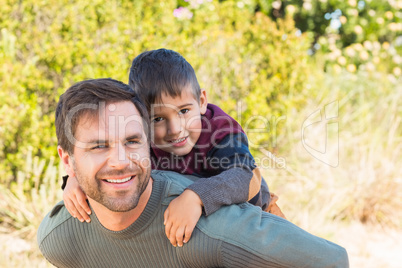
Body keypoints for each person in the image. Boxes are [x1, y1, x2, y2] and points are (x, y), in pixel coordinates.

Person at [38, 78, 349, 267]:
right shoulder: (60, 238)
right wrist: (72, 181)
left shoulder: (212, 231)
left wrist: (198, 196)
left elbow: (331, 261)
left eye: (132, 141)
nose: (120, 161)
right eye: (97, 147)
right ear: (67, 159)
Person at [63, 49, 284, 248]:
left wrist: (196, 197)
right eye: (158, 118)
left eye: (184, 111)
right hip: (201, 233)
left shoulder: (219, 131)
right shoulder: (142, 140)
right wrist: (73, 179)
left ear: (202, 100)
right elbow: (117, 171)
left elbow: (247, 178)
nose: (175, 129)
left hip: (259, 219)